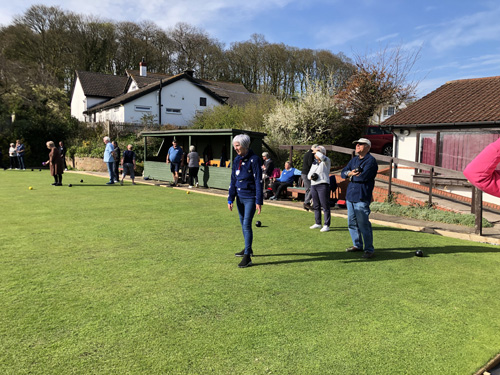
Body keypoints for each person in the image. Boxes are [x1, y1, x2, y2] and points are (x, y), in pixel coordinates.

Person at [227, 134, 263, 268]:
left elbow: (258, 181)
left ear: (245, 145)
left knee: (247, 224)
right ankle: (248, 248)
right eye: (234, 145)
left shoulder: (255, 160)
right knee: (243, 224)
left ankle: (247, 257)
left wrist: (259, 201)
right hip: (239, 198)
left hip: (250, 198)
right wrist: (230, 198)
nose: (235, 148)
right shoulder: (236, 160)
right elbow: (233, 180)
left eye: (238, 145)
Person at [341, 138, 378, 259]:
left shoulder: (371, 161)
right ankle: (357, 245)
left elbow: (363, 177)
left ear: (367, 147)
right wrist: (350, 174)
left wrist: (349, 176)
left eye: (360, 144)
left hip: (361, 197)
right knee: (351, 223)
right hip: (350, 196)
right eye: (356, 144)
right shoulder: (354, 160)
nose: (357, 145)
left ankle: (369, 249)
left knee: (363, 224)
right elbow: (343, 173)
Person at [307, 146, 332, 232]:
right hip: (314, 185)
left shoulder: (326, 161)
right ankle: (318, 223)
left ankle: (326, 224)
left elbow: (322, 157)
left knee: (325, 205)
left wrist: (316, 150)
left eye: (317, 153)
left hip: (323, 185)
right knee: (316, 205)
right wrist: (312, 177)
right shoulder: (314, 163)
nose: (315, 155)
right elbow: (308, 175)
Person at [301, 144, 318, 211]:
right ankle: (306, 202)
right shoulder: (311, 154)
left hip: (304, 173)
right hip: (307, 173)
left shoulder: (306, 153)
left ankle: (306, 203)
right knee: (311, 188)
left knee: (308, 189)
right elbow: (310, 164)